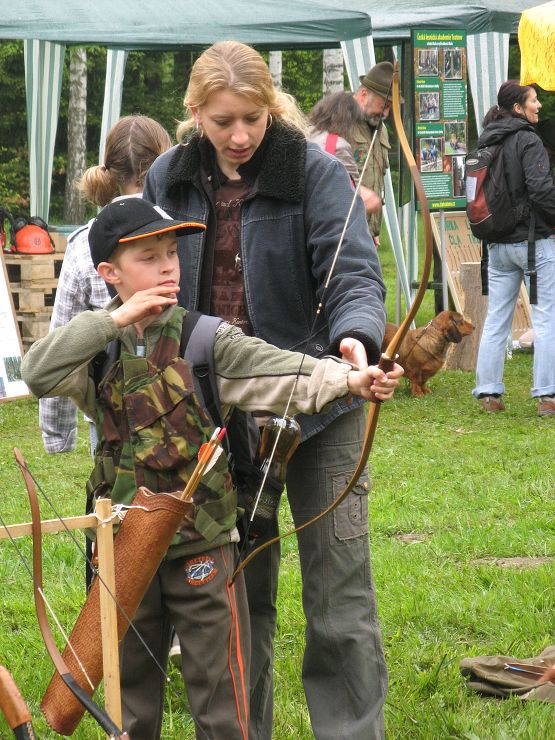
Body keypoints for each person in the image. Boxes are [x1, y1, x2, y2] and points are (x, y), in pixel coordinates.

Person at [20, 197, 401, 740]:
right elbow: (36, 372)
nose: (167, 267)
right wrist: (114, 319)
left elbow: (281, 370)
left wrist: (351, 379)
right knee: (130, 696)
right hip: (124, 544)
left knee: (221, 691)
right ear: (108, 273)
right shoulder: (97, 349)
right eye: (148, 257)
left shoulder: (204, 338)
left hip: (203, 542)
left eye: (171, 254)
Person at [143, 40, 397, 740]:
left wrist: (356, 338)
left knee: (339, 596)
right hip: (215, 417)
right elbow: (145, 278)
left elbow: (354, 274)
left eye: (252, 118)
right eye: (223, 120)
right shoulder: (168, 176)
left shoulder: (314, 171)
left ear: (272, 108)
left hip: (321, 406)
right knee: (234, 597)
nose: (240, 135)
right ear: (195, 112)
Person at [39, 115, 172, 455]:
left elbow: (64, 334)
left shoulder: (82, 243)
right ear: (166, 158)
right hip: (180, 397)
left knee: (113, 487)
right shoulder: (181, 230)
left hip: (109, 405)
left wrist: (57, 434)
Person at [471, 81, 555, 416]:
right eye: (534, 101)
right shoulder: (528, 140)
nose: (539, 106)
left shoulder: (487, 139)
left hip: (496, 246)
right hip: (533, 243)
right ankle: (548, 397)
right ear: (518, 108)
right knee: (546, 318)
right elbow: (541, 191)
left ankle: (489, 394)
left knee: (496, 319)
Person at [307, 91, 382, 218]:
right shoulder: (338, 146)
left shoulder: (306, 135)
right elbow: (353, 197)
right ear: (348, 119)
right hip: (329, 221)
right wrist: (371, 199)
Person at [348, 61, 394, 246]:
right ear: (364, 95)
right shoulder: (337, 122)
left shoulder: (380, 129)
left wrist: (373, 229)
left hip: (365, 234)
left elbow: (374, 178)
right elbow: (325, 181)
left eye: (389, 107)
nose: (386, 113)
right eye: (383, 105)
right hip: (342, 233)